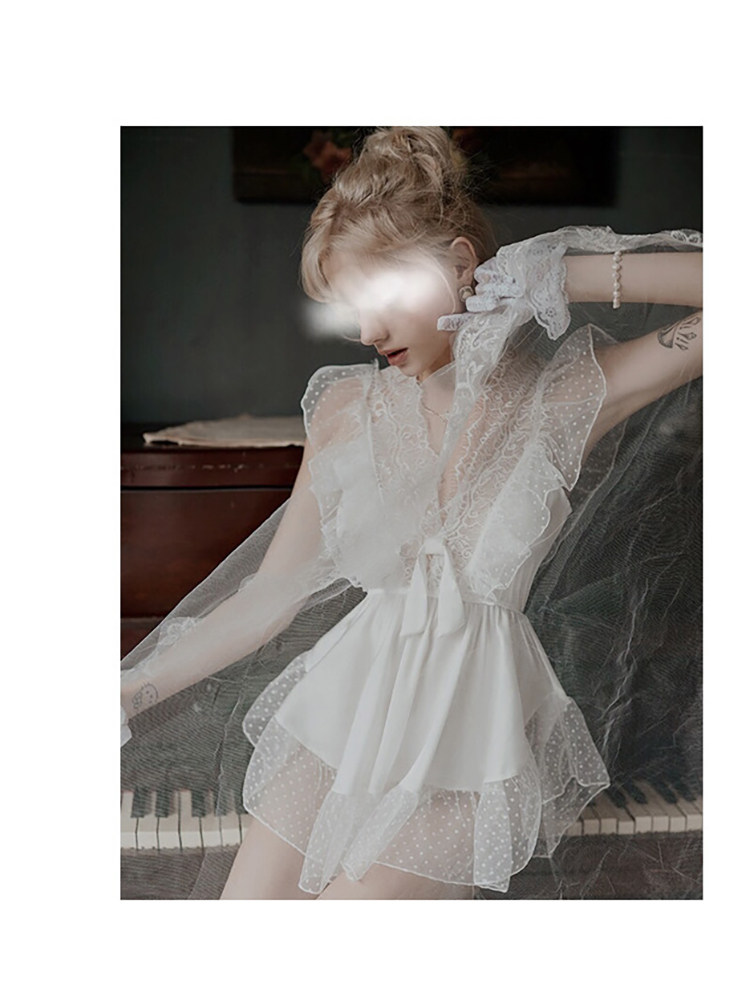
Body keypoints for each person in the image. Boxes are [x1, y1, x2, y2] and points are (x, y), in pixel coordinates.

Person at [121, 127, 702, 900]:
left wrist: (565, 273)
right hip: (342, 719)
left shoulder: (564, 396)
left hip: (469, 744)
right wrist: (129, 691)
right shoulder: (345, 408)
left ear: (459, 264)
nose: (368, 333)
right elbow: (268, 597)